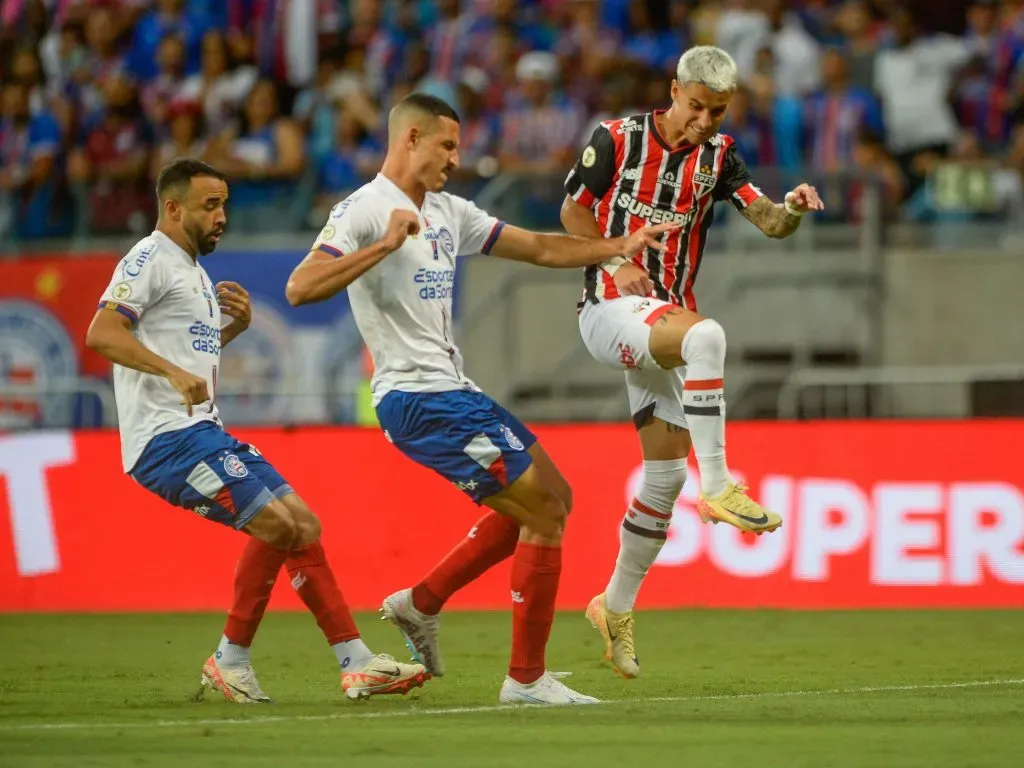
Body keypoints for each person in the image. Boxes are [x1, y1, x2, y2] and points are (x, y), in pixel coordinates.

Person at [285, 93, 674, 705]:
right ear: (410, 139)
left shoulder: (447, 210)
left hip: (455, 388)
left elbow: (540, 247)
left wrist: (615, 246)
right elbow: (300, 287)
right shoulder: (363, 210)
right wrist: (383, 246)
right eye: (447, 145)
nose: (456, 158)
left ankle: (422, 602)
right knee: (542, 514)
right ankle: (525, 680)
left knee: (557, 497)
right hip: (416, 397)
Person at [85, 158, 428, 704]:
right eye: (209, 206)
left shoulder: (191, 270)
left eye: (224, 205)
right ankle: (231, 661)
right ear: (172, 208)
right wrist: (172, 373)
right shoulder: (149, 257)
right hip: (166, 440)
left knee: (303, 525)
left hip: (203, 432)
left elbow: (185, 360)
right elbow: (102, 332)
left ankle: (356, 661)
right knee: (276, 525)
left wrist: (232, 332)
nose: (221, 216)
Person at [559, 45, 825, 680]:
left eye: (718, 111)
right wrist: (616, 257)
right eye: (698, 106)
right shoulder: (617, 138)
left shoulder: (720, 157)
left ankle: (613, 607)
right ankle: (720, 485)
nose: (705, 121)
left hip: (662, 323)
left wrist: (791, 207)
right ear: (674, 90)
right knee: (708, 338)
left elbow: (768, 221)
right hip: (609, 308)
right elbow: (571, 210)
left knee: (662, 478)